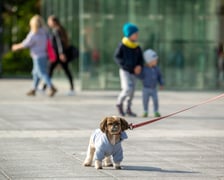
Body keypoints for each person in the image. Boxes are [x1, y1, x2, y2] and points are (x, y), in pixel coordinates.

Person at [11, 15, 57, 97]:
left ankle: (51, 86)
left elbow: (26, 44)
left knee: (41, 72)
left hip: (37, 56)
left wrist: (16, 46)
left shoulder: (33, 33)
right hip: (44, 55)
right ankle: (33, 89)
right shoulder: (45, 32)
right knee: (35, 73)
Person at [114, 22, 144, 117]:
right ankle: (119, 103)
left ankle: (128, 108)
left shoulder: (137, 47)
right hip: (125, 71)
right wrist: (126, 66)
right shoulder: (122, 45)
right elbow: (117, 57)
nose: (137, 35)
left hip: (134, 73)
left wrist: (139, 66)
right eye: (135, 33)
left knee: (132, 91)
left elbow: (141, 59)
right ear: (130, 34)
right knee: (127, 89)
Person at [43, 15, 74, 96]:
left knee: (50, 70)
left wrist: (61, 53)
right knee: (61, 70)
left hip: (58, 55)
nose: (48, 23)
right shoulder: (60, 29)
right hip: (59, 54)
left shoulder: (56, 30)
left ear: (54, 22)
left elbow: (59, 43)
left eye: (49, 21)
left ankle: (45, 87)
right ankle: (45, 87)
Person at [137, 49, 164, 118]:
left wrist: (161, 83)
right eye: (154, 60)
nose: (156, 61)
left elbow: (159, 77)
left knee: (155, 100)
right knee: (145, 100)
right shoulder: (144, 69)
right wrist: (137, 73)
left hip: (154, 88)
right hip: (145, 88)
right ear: (149, 61)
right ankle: (145, 111)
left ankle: (156, 111)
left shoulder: (157, 69)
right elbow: (141, 76)